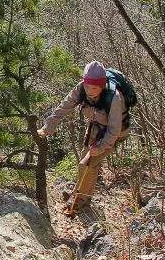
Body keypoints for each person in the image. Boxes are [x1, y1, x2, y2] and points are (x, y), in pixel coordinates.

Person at [37, 61, 130, 215]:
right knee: (83, 159)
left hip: (116, 133)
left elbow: (114, 129)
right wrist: (48, 127)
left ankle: (82, 199)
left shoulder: (114, 97)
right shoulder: (80, 89)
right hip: (96, 127)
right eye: (87, 86)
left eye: (94, 88)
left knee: (89, 162)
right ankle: (79, 191)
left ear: (102, 85)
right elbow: (64, 107)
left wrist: (100, 147)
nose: (90, 91)